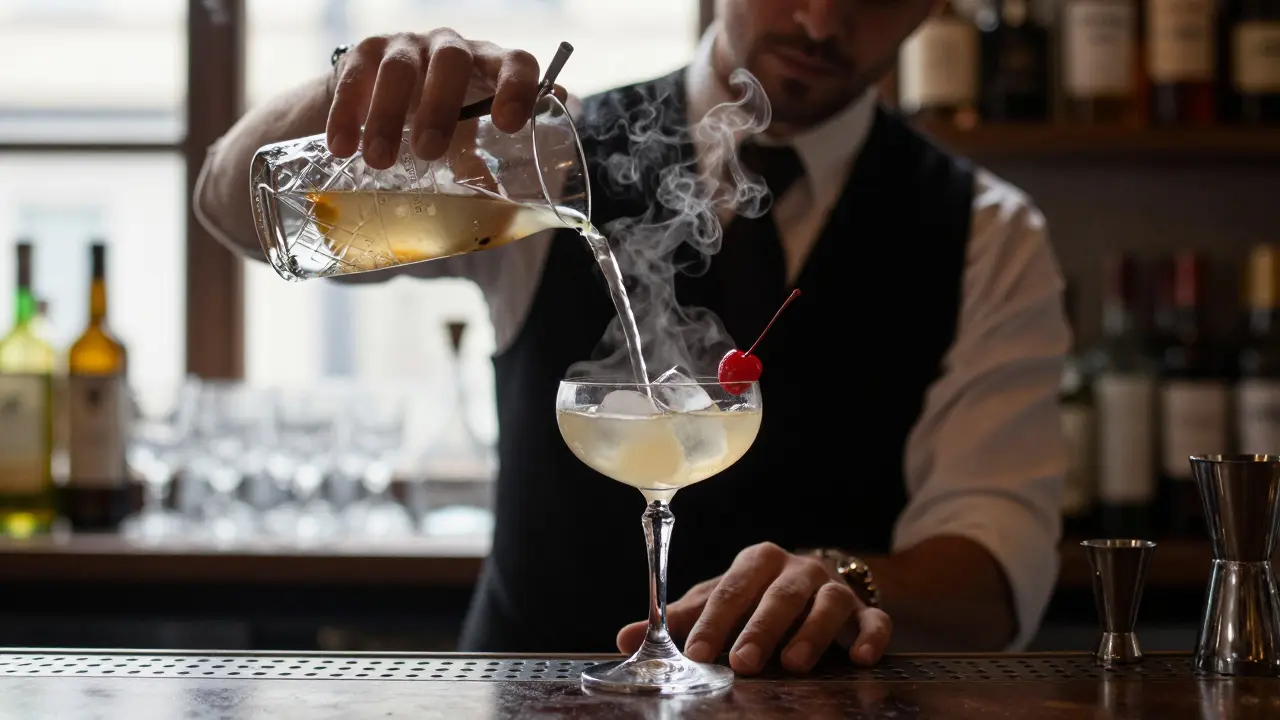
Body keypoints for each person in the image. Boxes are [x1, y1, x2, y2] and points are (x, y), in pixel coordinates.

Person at [195, 0, 1069, 675]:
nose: (821, 20)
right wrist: (352, 89)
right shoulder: (548, 155)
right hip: (524, 698)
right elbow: (237, 214)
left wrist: (845, 579)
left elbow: (996, 572)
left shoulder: (986, 233)